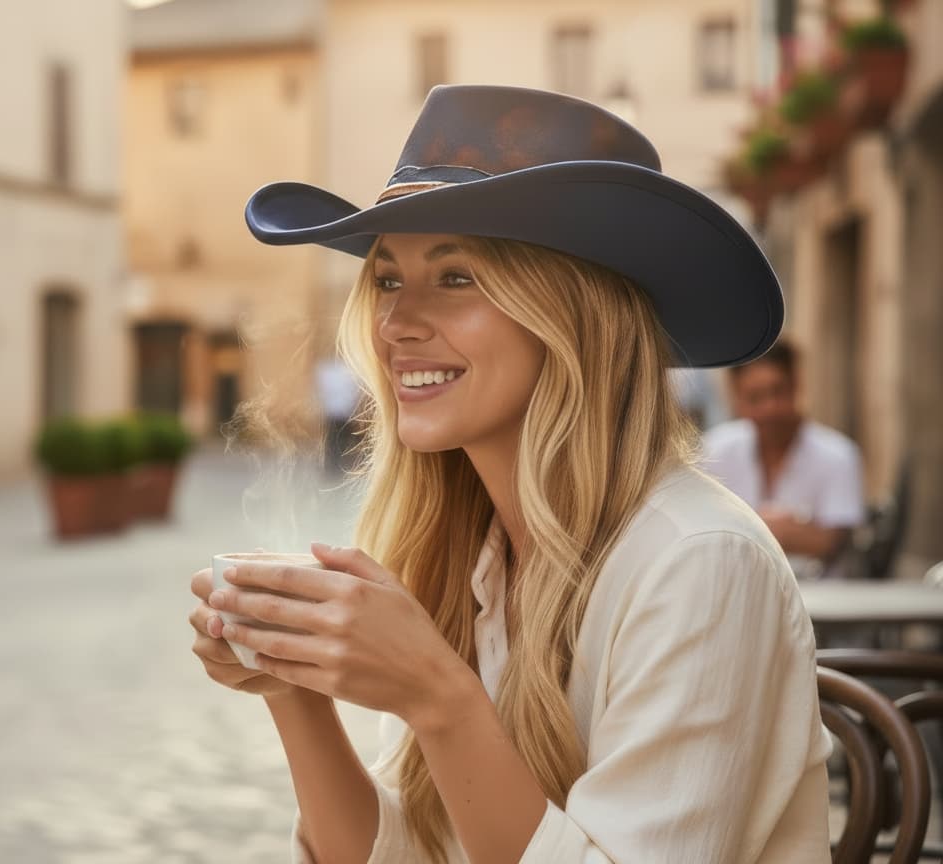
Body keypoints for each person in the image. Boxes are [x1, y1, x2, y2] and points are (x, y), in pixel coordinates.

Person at [188, 85, 831, 862]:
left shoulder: (700, 562)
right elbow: (410, 851)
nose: (397, 324)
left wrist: (437, 695)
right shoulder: (469, 555)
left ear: (572, 316)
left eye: (456, 278)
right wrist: (291, 687)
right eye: (388, 279)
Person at [702, 339, 865, 581]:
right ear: (736, 397)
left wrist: (746, 529)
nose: (770, 408)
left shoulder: (839, 455)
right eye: (755, 398)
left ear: (796, 386)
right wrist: (786, 531)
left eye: (778, 392)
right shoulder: (715, 450)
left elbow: (832, 542)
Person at [315, 356, 362, 474]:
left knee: (338, 441)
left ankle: (338, 466)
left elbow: (321, 393)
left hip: (340, 412)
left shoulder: (330, 370)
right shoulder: (344, 370)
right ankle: (337, 466)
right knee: (336, 441)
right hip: (338, 412)